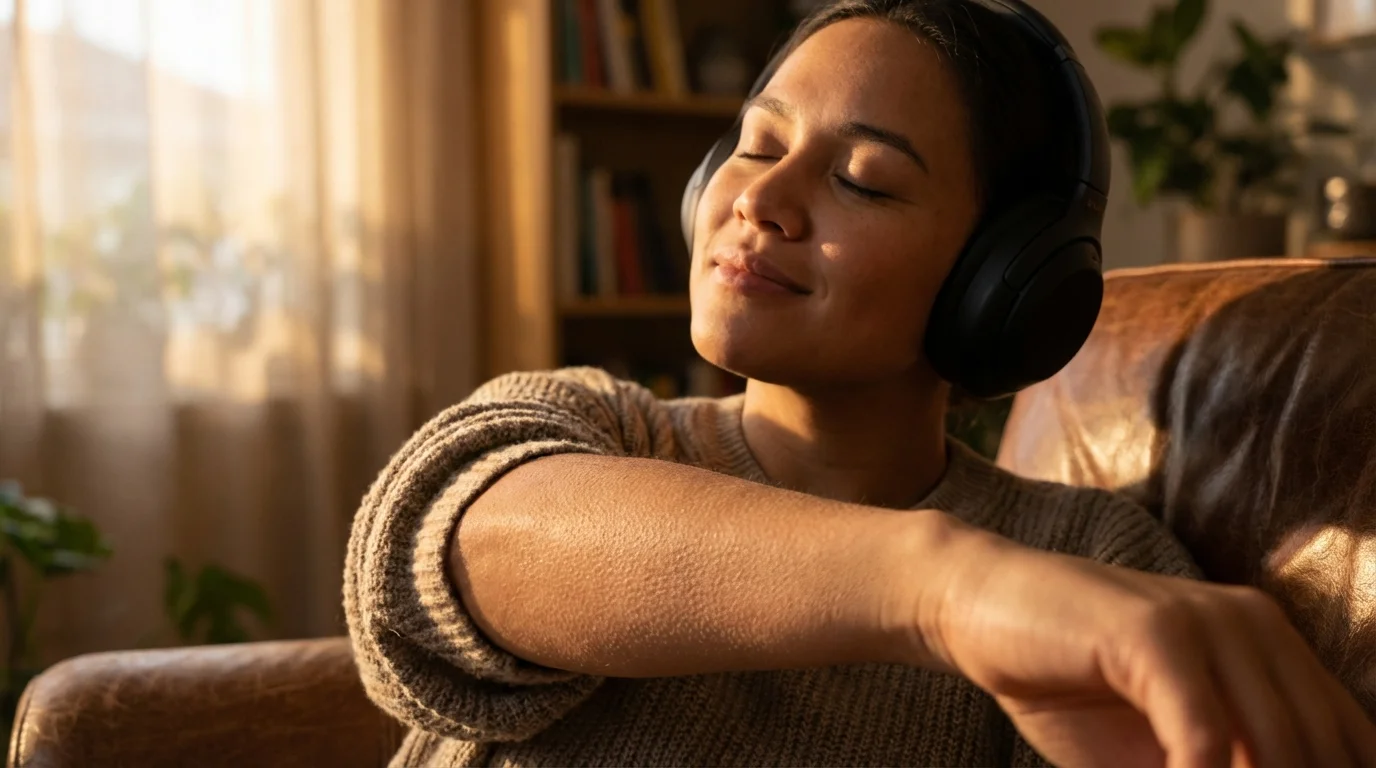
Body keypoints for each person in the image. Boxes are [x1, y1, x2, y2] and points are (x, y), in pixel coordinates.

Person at [344, 1, 1376, 765]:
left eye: (862, 182)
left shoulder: (1091, 565)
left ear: (1000, 284)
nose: (764, 201)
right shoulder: (588, 434)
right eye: (756, 145)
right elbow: (426, 562)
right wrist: (942, 591)